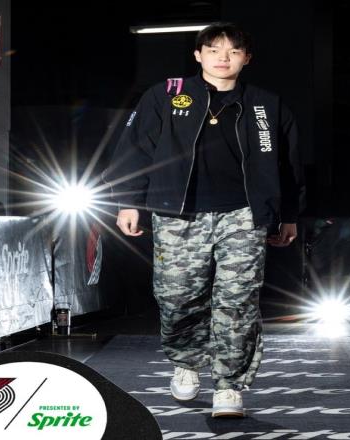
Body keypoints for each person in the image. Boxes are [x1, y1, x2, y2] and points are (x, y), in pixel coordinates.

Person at [102, 22, 304, 418]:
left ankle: (229, 387)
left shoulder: (266, 104)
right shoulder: (166, 94)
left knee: (238, 301)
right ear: (198, 55)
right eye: (213, 50)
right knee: (176, 297)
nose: (223, 58)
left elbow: (289, 163)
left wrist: (290, 215)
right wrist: (128, 202)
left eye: (233, 51)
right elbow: (135, 148)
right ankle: (187, 362)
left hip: (243, 215)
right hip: (178, 213)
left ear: (247, 58)